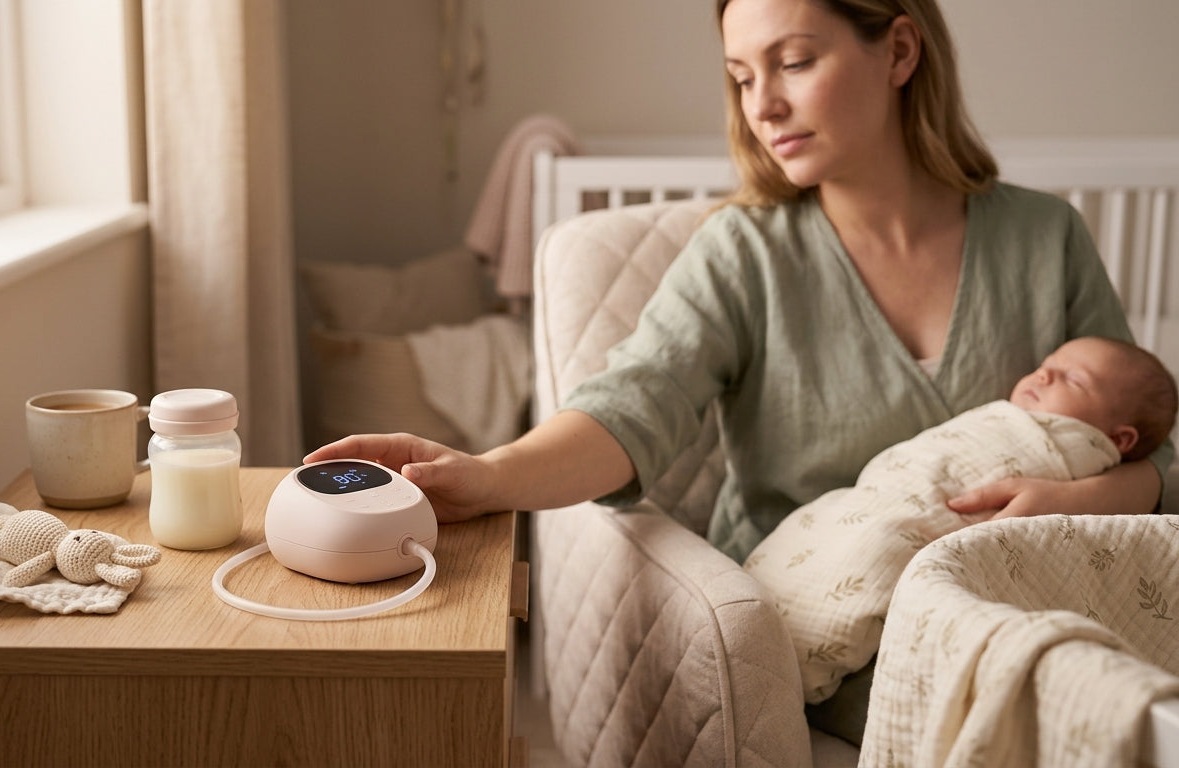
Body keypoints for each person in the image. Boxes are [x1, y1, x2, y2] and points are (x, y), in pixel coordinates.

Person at [308, 0, 1175, 746]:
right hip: (843, 642)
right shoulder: (743, 253)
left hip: (1034, 587)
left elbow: (1151, 443)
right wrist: (487, 475)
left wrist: (1083, 497)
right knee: (1067, 696)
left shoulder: (1045, 239)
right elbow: (631, 406)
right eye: (740, 76)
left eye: (793, 62)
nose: (763, 104)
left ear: (900, 51)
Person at [743, 335, 1178, 709]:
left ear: (1117, 439)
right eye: (1046, 365)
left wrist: (1071, 497)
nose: (1045, 375)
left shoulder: (1077, 450)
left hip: (925, 550)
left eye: (1074, 379)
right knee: (851, 522)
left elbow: (1158, 459)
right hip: (873, 496)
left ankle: (802, 647)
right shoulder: (1001, 420)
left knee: (879, 546)